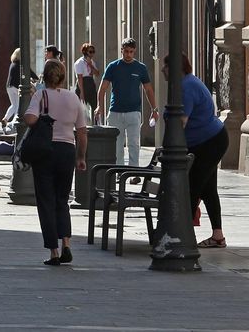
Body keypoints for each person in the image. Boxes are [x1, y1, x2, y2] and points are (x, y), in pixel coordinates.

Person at [24, 59, 87, 266]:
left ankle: (54, 252)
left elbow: (30, 119)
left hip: (45, 151)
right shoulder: (73, 98)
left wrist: (43, 116)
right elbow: (82, 132)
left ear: (45, 75)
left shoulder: (40, 95)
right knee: (62, 199)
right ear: (63, 76)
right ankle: (66, 244)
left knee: (46, 201)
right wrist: (80, 157)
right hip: (67, 151)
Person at [163, 53, 228, 249]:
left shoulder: (186, 87)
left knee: (192, 187)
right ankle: (218, 236)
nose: (162, 69)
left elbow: (181, 122)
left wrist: (170, 148)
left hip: (208, 143)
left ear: (175, 68)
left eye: (166, 66)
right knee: (208, 188)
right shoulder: (186, 83)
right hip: (209, 140)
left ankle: (182, 236)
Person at [96, 38, 157, 166]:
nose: (128, 54)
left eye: (131, 52)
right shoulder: (113, 67)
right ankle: (118, 172)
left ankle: (134, 172)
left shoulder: (141, 68)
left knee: (134, 144)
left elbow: (148, 90)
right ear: (121, 50)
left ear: (134, 51)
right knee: (117, 145)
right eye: (126, 51)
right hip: (115, 112)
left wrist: (154, 109)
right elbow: (102, 89)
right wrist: (99, 107)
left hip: (134, 112)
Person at [2, 48, 37, 126]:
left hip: (9, 86)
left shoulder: (13, 64)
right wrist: (35, 79)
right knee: (18, 106)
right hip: (16, 86)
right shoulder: (21, 64)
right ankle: (14, 123)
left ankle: (5, 118)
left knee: (13, 105)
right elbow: (32, 74)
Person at [73, 43, 100, 117]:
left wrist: (91, 65)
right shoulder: (79, 62)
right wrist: (82, 92)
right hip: (83, 84)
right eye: (90, 52)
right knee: (80, 108)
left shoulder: (92, 62)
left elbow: (97, 73)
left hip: (90, 83)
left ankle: (96, 122)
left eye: (93, 52)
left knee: (95, 104)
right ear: (85, 52)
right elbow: (79, 78)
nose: (92, 54)